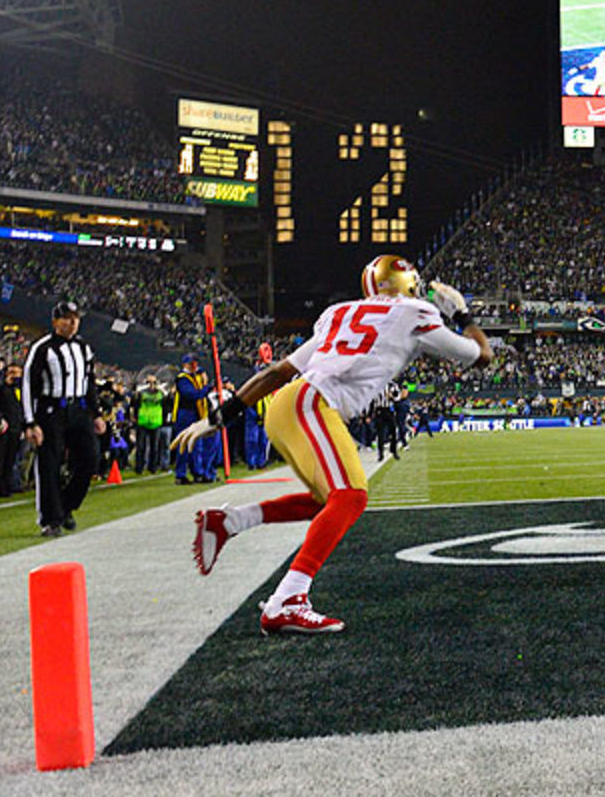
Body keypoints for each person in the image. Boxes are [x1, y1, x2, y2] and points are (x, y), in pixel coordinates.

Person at [173, 256, 491, 635]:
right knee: (351, 497)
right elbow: (482, 356)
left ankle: (229, 521)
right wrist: (463, 315)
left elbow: (277, 372)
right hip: (312, 403)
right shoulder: (416, 311)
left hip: (287, 404)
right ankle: (287, 600)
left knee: (332, 501)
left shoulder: (339, 313)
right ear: (407, 282)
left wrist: (219, 417)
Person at [21, 301, 105, 536]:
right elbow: (28, 386)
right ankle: (50, 519)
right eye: (67, 318)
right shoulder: (42, 348)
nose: (72, 322)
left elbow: (89, 382)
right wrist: (30, 422)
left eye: (75, 318)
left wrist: (96, 413)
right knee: (49, 465)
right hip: (51, 412)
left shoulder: (83, 348)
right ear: (55, 321)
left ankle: (66, 505)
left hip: (79, 410)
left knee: (90, 460)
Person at [172, 354, 213, 484]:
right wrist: (207, 388)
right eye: (191, 364)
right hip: (185, 414)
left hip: (196, 413)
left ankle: (198, 472)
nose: (194, 366)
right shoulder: (182, 379)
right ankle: (181, 474)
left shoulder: (196, 377)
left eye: (195, 363)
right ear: (185, 365)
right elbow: (192, 394)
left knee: (197, 445)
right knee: (183, 444)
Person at [133, 374, 168, 473]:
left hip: (155, 422)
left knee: (155, 447)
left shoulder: (161, 394)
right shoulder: (141, 393)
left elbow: (168, 403)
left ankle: (152, 467)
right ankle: (139, 467)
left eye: (153, 382)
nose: (151, 384)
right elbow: (135, 404)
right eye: (149, 382)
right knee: (141, 447)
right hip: (143, 421)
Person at [0, 355, 21, 496]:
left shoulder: (18, 390)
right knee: (1, 458)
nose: (15, 376)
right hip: (3, 428)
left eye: (17, 373)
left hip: (16, 428)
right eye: (12, 372)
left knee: (11, 459)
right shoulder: (0, 388)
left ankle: (8, 484)